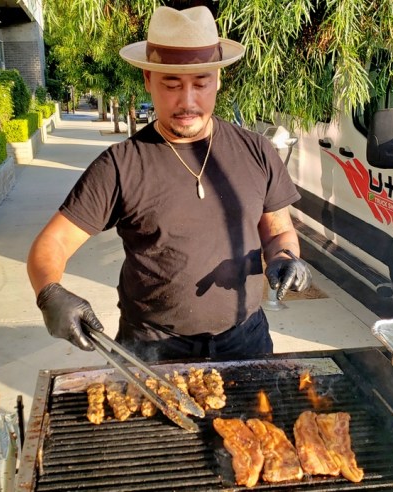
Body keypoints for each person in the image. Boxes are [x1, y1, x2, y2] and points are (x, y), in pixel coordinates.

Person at [27, 6, 311, 362]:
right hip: (152, 349)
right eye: (172, 84)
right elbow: (50, 244)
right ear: (148, 79)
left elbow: (278, 232)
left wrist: (286, 258)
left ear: (219, 79)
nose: (187, 101)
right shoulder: (120, 164)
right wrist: (50, 293)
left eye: (201, 83)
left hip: (246, 339)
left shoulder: (256, 150)